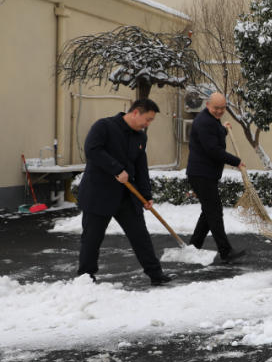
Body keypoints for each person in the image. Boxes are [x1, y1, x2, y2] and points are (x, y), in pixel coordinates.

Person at [76, 99, 173, 285]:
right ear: (135, 112)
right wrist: (116, 168)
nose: (148, 124)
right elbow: (92, 150)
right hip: (98, 195)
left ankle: (155, 273)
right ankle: (85, 278)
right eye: (148, 119)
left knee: (140, 236)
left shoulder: (140, 137)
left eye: (151, 120)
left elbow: (140, 167)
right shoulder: (104, 126)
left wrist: (146, 195)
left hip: (126, 197)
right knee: (91, 239)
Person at [187, 92, 247, 262]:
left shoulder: (209, 119)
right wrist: (236, 161)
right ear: (207, 105)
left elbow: (212, 137)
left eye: (222, 108)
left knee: (208, 212)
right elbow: (212, 149)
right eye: (216, 108)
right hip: (202, 173)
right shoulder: (205, 121)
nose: (220, 111)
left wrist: (222, 129)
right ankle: (225, 251)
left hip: (204, 173)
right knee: (214, 212)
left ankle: (193, 247)